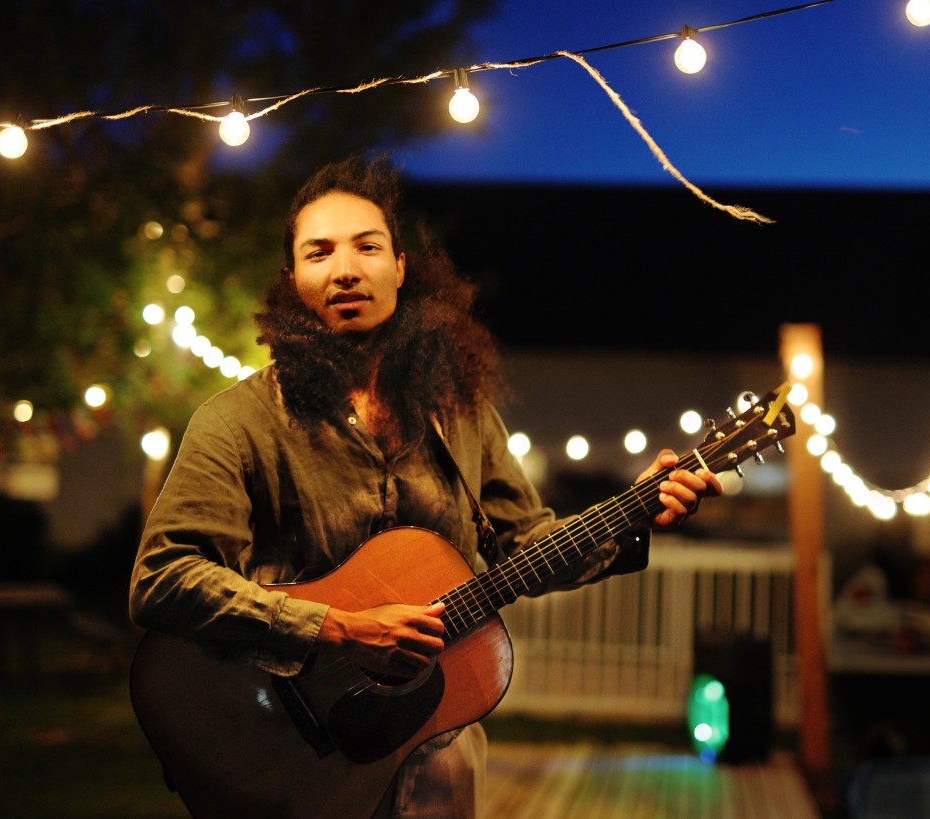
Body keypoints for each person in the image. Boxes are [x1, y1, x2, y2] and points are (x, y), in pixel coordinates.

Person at [129, 154, 722, 818]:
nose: (345, 268)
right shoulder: (238, 420)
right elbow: (162, 578)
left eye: (367, 246)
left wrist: (636, 511)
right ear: (291, 280)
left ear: (401, 267)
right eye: (319, 251)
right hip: (290, 745)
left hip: (437, 752)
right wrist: (337, 628)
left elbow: (526, 544)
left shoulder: (460, 412)